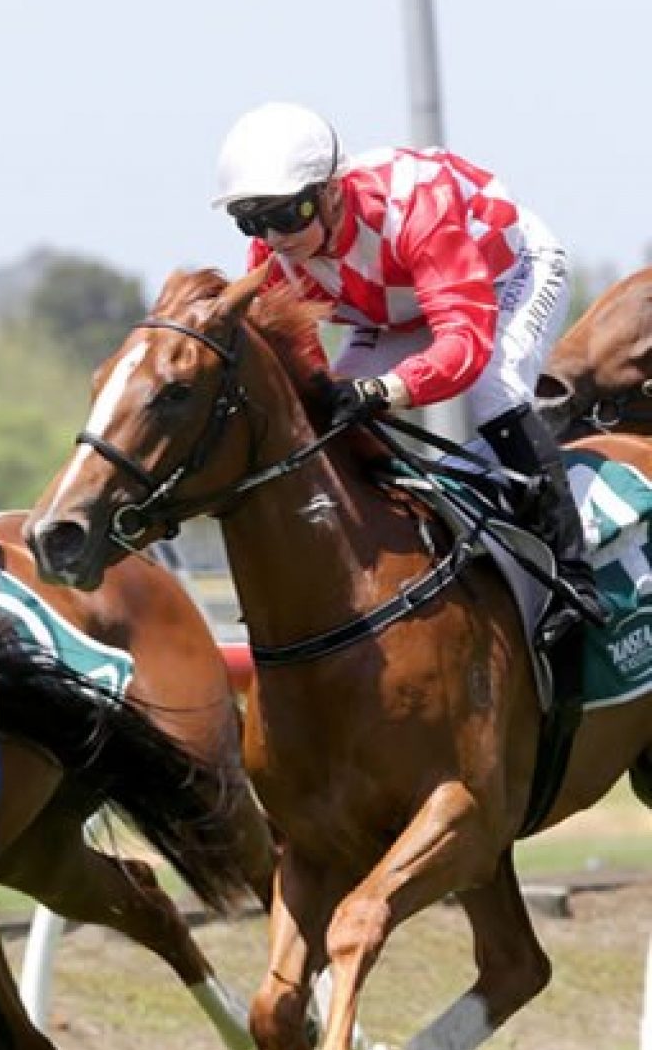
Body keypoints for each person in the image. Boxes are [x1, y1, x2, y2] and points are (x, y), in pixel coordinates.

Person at [213, 101, 604, 645]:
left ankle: (573, 576)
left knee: (492, 385)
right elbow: (305, 362)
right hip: (396, 306)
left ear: (330, 191)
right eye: (252, 221)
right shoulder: (272, 254)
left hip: (505, 275)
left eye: (287, 215)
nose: (275, 238)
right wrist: (336, 396)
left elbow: (463, 344)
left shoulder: (417, 210)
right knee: (327, 414)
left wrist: (384, 389)